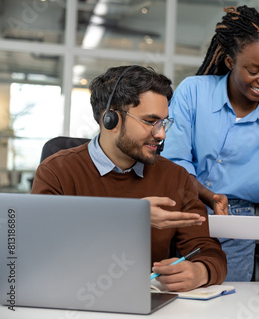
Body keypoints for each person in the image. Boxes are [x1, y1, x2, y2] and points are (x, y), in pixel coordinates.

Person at [31, 65, 227, 291]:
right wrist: (129, 217)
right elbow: (39, 249)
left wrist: (200, 271)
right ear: (110, 119)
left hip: (145, 302)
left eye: (164, 122)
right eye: (150, 121)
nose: (161, 133)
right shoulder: (57, 171)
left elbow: (209, 251)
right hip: (71, 296)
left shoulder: (175, 177)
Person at [161, 6, 259, 281]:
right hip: (182, 202)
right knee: (170, 290)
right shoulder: (193, 92)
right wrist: (208, 197)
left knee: (225, 297)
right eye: (253, 70)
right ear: (230, 62)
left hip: (237, 215)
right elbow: (175, 162)